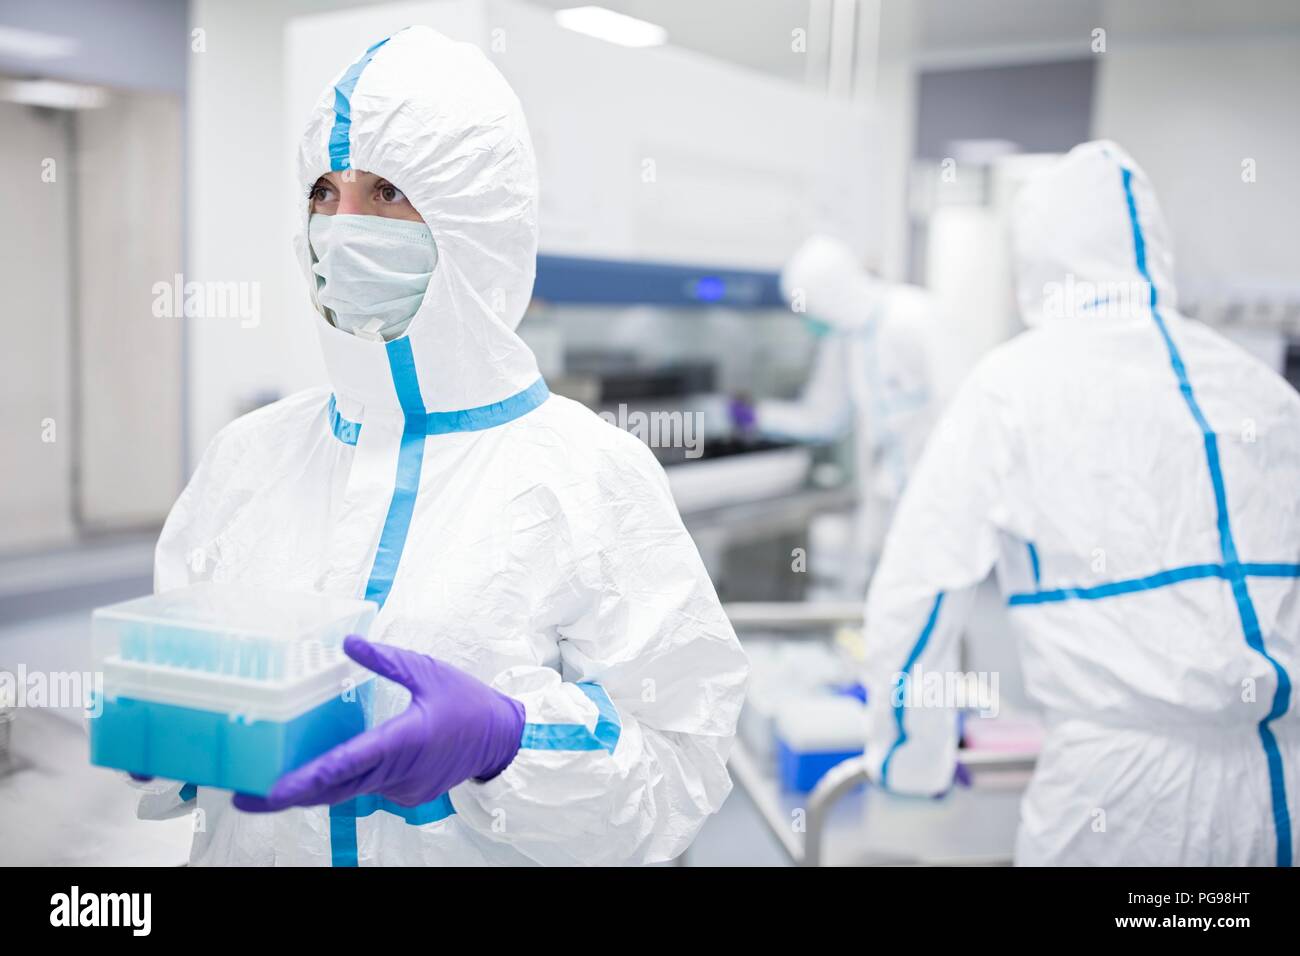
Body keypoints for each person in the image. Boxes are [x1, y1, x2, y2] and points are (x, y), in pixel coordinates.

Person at [131, 25, 748, 866]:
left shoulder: (590, 475)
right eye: (324, 191)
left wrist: (508, 743)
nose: (342, 228)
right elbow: (180, 731)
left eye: (386, 192)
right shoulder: (248, 457)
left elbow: (681, 767)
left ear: (478, 219)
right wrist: (171, 729)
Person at [858, 140, 1299, 866]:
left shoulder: (1013, 386)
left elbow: (919, 593)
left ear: (1036, 260)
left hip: (1120, 799)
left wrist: (911, 759)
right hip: (1280, 786)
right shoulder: (1262, 390)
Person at [736, 235, 960, 596]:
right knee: (891, 603)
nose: (808, 319)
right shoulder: (845, 338)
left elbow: (960, 407)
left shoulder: (914, 317)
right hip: (887, 500)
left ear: (831, 294)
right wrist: (757, 416)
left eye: (809, 307)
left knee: (930, 606)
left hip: (941, 500)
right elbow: (824, 416)